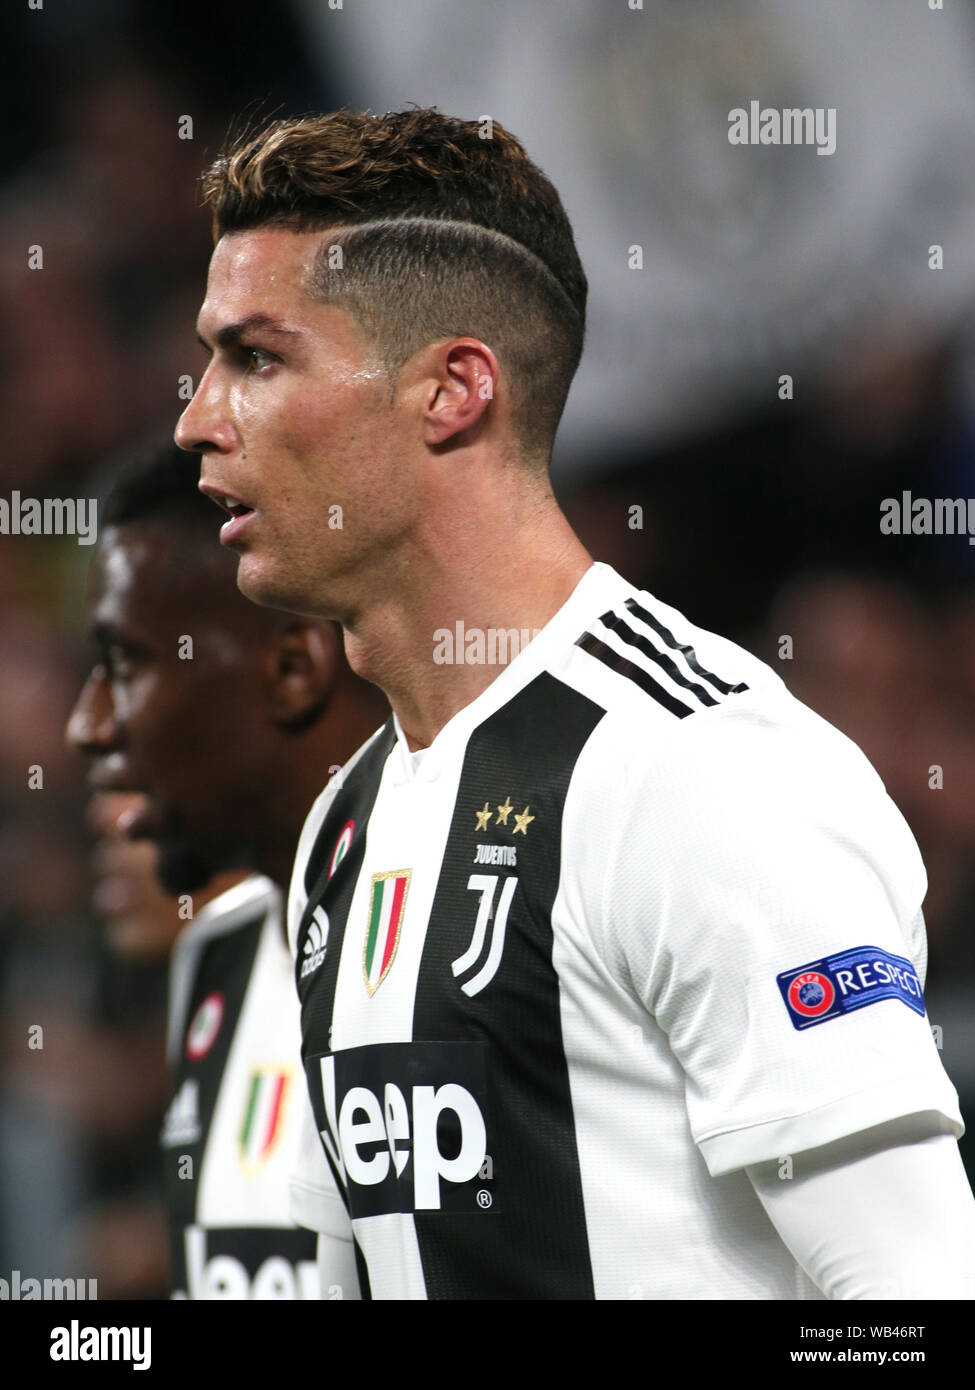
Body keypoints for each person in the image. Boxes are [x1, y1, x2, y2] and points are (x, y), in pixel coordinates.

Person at [174, 108, 975, 1300]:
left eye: (257, 357)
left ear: (452, 391)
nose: (197, 419)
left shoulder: (703, 775)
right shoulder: (347, 827)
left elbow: (917, 1297)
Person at [66, 443, 385, 1298]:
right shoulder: (218, 958)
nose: (86, 727)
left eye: (125, 665)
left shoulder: (464, 933)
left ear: (291, 667)